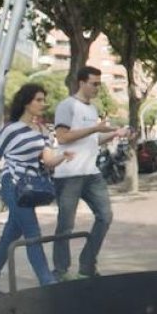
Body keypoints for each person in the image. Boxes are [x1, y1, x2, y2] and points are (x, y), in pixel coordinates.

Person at [0, 83, 72, 297]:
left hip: (30, 188)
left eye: (44, 100)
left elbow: (48, 160)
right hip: (12, 184)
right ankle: (47, 282)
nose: (43, 104)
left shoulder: (43, 131)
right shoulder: (10, 129)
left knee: (9, 237)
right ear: (26, 102)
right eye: (39, 100)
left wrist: (62, 157)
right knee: (32, 232)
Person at [51, 66, 128, 280]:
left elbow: (92, 140)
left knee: (105, 216)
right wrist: (95, 129)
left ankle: (87, 264)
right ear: (81, 83)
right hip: (68, 175)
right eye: (94, 83)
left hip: (91, 173)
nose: (97, 88)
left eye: (99, 84)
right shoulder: (67, 106)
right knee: (66, 225)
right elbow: (63, 137)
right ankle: (60, 271)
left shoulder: (92, 110)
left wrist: (114, 134)